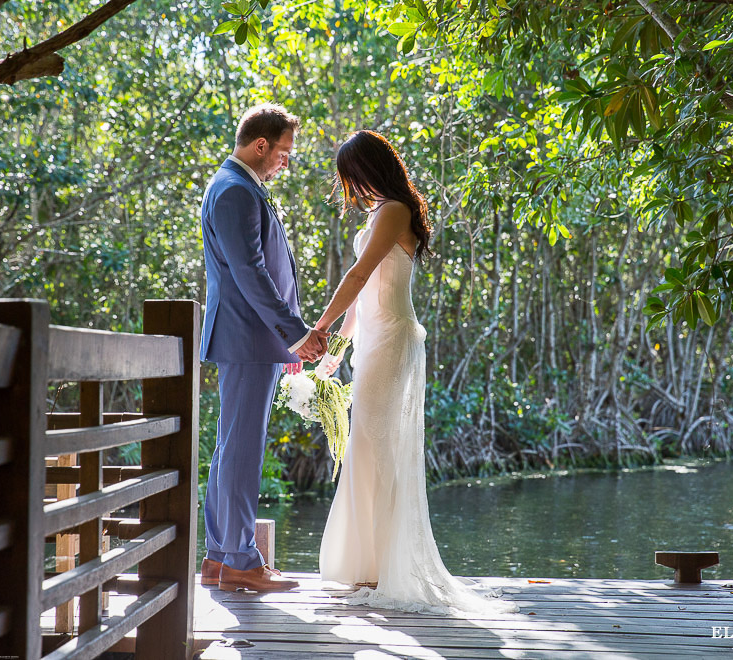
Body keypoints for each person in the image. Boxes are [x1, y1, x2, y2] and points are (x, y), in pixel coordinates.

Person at [313, 130, 516, 615]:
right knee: (364, 446)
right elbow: (363, 294)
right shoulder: (380, 210)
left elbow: (358, 275)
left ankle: (381, 569)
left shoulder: (396, 210)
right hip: (371, 341)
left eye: (354, 176)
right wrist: (336, 347)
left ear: (371, 168)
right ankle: (367, 567)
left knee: (379, 448)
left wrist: (316, 326)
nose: (352, 188)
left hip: (393, 341)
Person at [199, 103, 328, 592]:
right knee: (241, 450)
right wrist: (294, 333)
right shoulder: (234, 191)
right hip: (248, 339)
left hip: (252, 339)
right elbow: (251, 274)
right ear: (260, 145)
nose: (285, 162)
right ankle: (239, 562)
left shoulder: (241, 187)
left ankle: (220, 559)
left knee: (233, 446)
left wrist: (288, 339)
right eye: (283, 153)